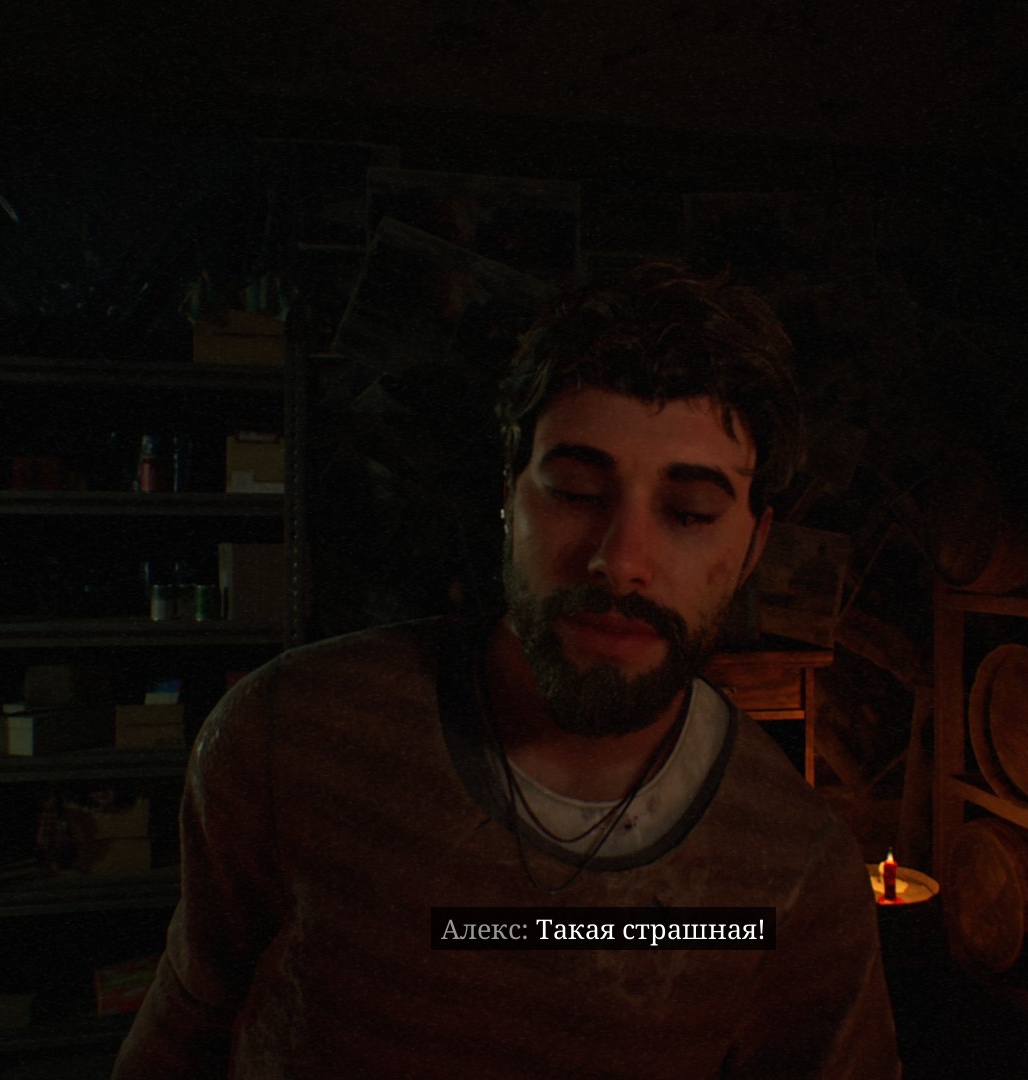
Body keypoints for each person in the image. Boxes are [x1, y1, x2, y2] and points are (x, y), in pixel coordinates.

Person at [114, 262, 901, 1079]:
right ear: (508, 498)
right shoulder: (286, 736)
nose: (620, 560)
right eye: (576, 490)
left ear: (752, 548)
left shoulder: (795, 875)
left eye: (689, 513)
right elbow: (184, 1029)